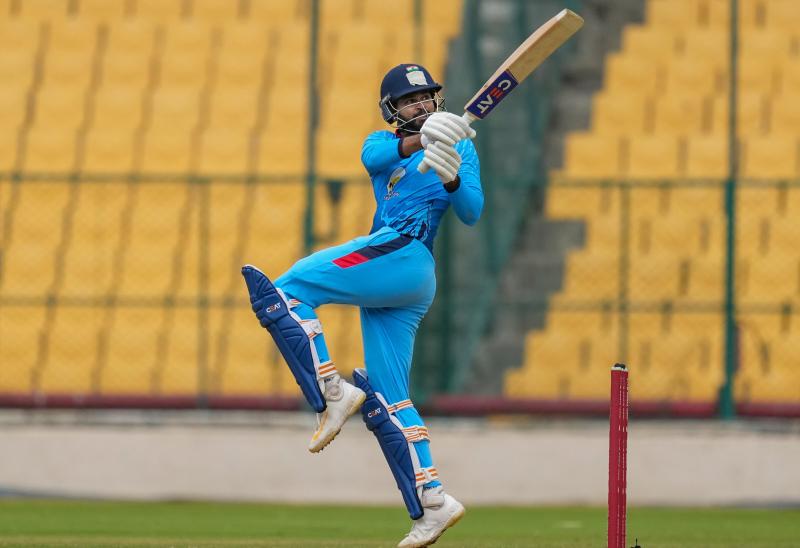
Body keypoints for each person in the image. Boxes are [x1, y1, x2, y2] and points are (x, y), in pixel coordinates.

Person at [242, 63, 482, 548]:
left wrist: (453, 177)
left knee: (287, 288)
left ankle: (329, 390)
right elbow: (375, 156)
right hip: (398, 274)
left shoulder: (463, 146)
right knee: (390, 398)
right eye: (410, 100)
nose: (421, 103)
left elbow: (472, 212)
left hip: (407, 254)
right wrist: (422, 142)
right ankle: (433, 503)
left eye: (427, 96)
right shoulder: (383, 143)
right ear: (393, 109)